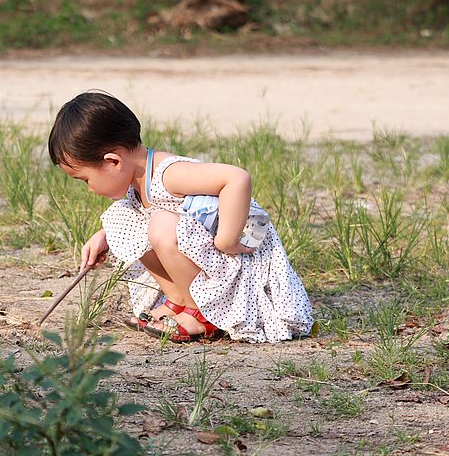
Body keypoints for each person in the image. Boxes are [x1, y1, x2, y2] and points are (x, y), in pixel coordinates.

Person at [47, 91, 313, 343]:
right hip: (210, 262)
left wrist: (227, 240)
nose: (90, 189)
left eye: (86, 180)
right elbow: (137, 219)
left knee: (161, 225)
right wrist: (105, 236)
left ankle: (201, 315)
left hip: (238, 258)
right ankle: (178, 302)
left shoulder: (168, 174)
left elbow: (237, 177)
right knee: (122, 222)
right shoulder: (136, 182)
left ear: (113, 161)